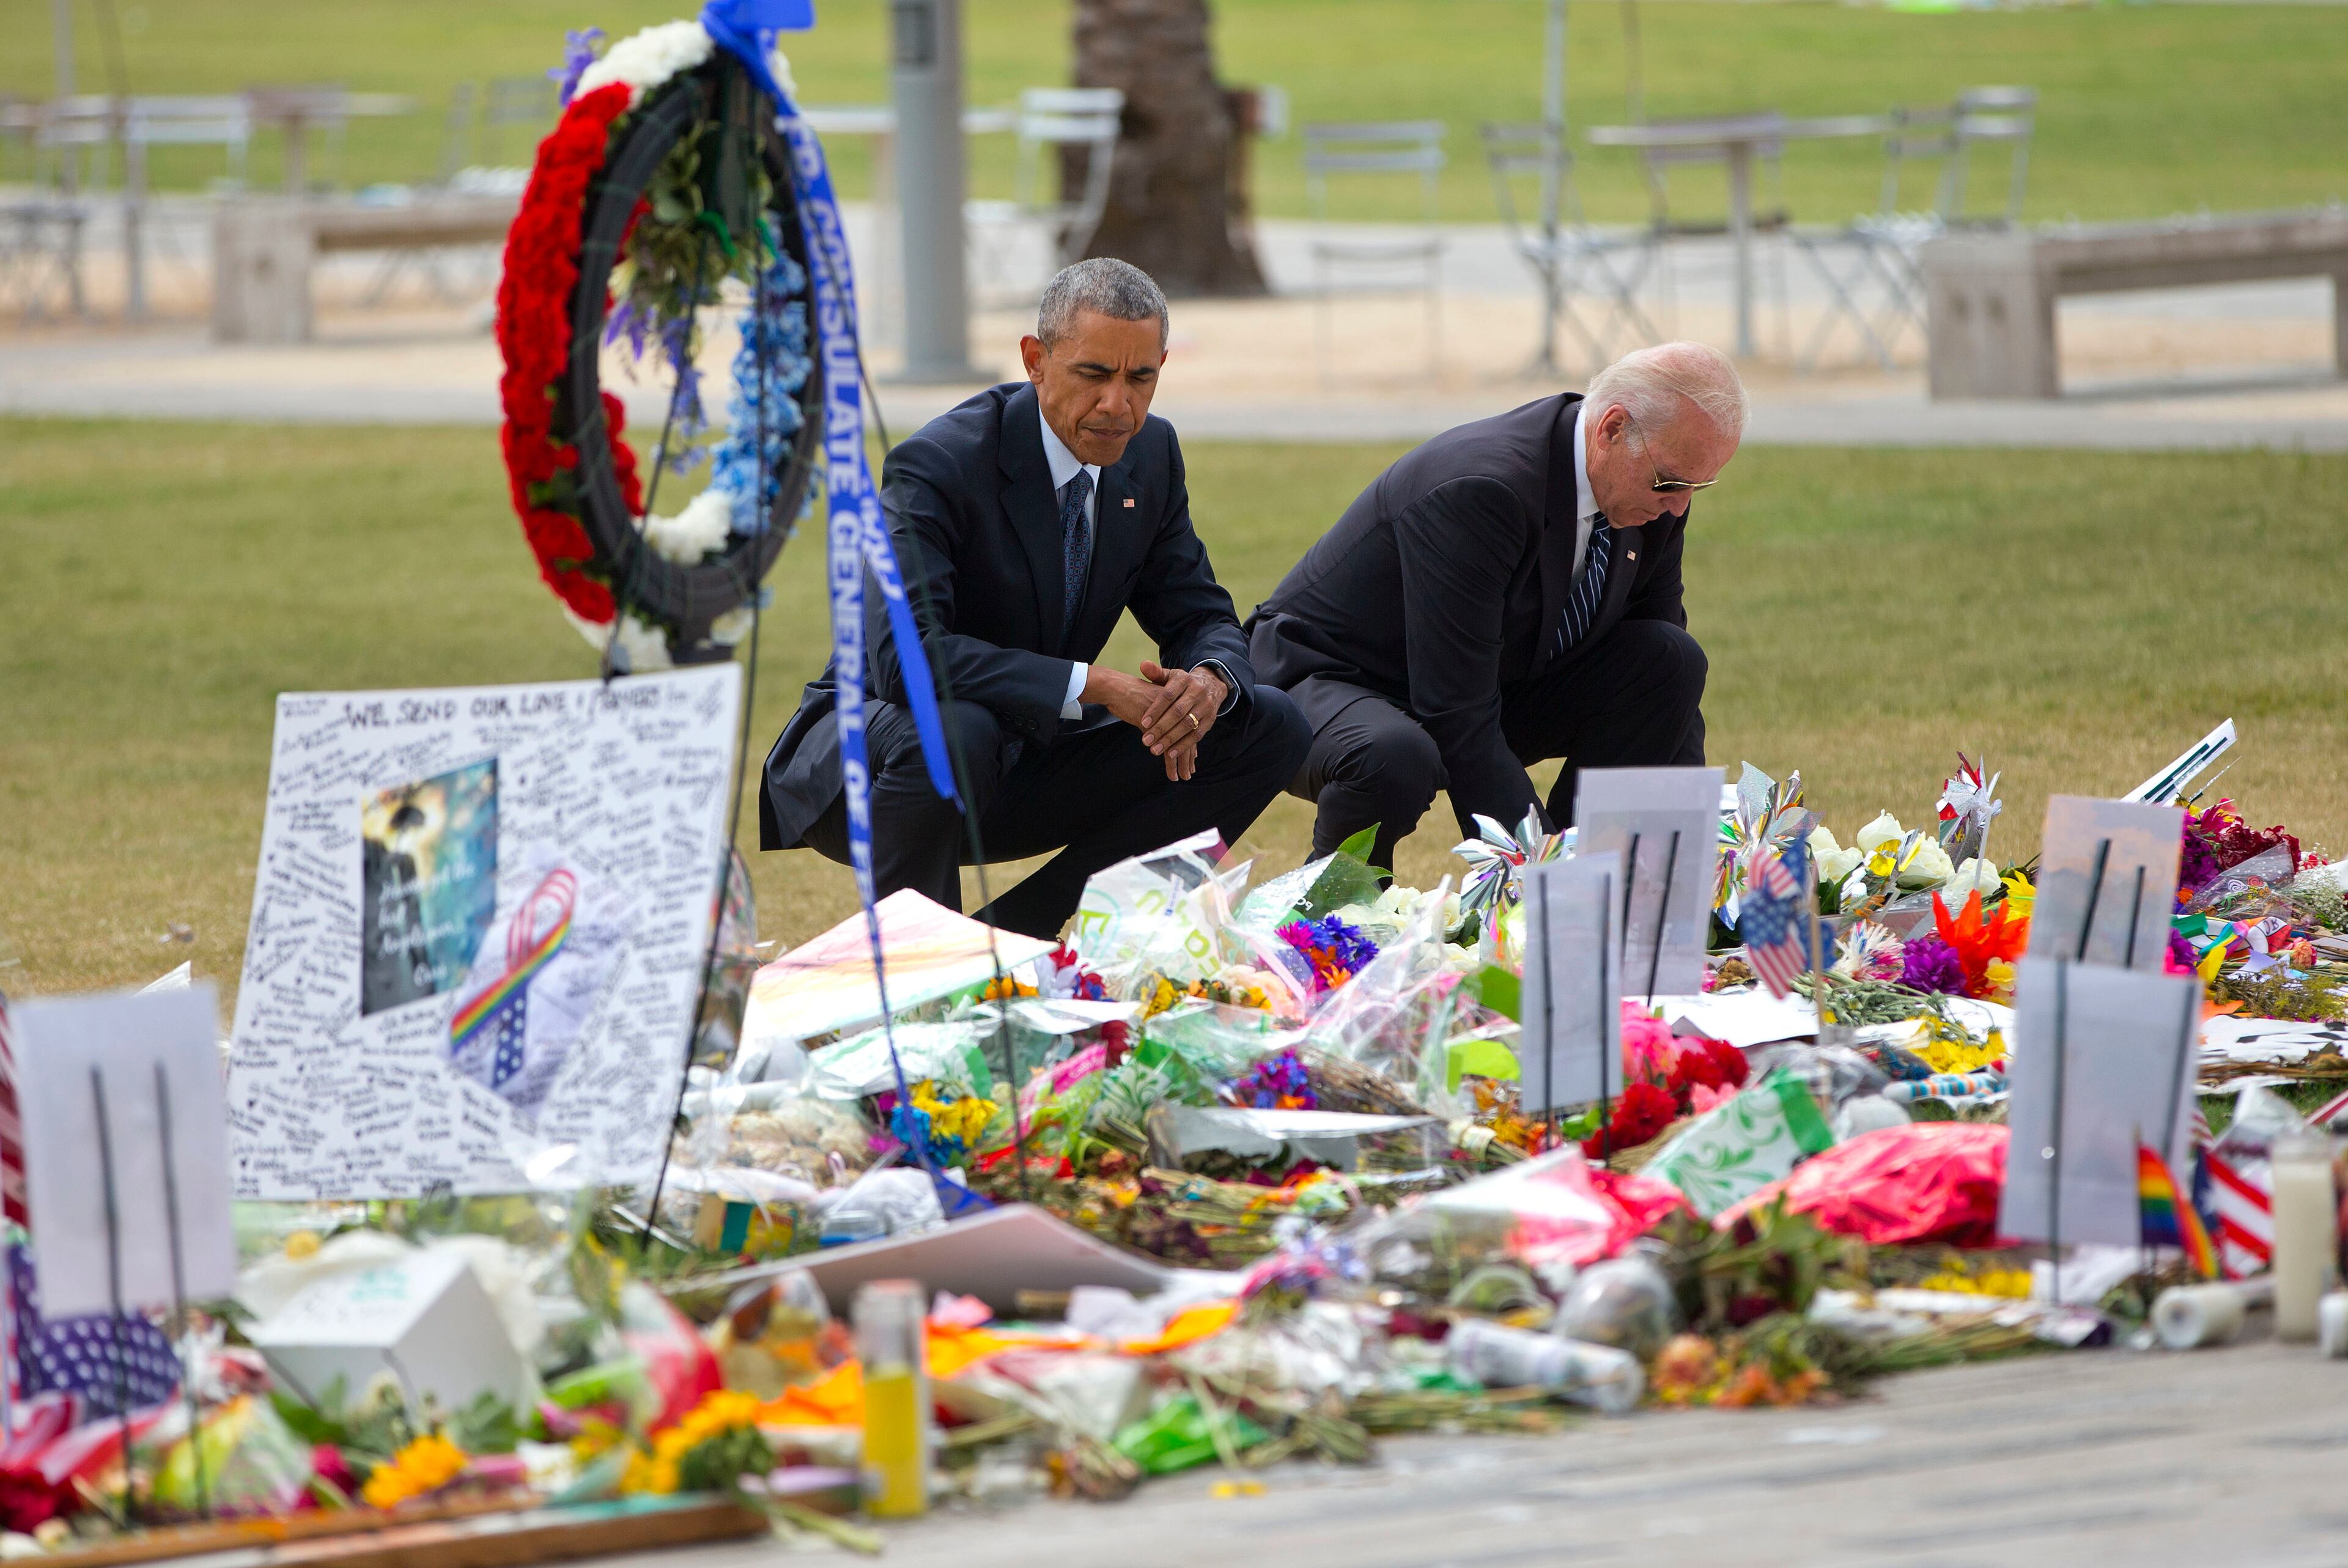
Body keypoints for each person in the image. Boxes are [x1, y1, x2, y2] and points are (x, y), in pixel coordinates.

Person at [759, 259, 1309, 939]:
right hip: (872, 768)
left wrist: (1207, 682)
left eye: (1142, 378)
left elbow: (1198, 612)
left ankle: (1022, 939)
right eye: (1093, 374)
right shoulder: (938, 464)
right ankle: (919, 972)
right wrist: (1100, 685)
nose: (1119, 405)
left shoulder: (1152, 454)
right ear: (1035, 360)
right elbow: (907, 660)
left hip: (1019, 756)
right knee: (959, 728)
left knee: (1266, 721)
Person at [1245, 342, 1744, 871]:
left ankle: (1605, 882)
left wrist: (1690, 857)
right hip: (1326, 675)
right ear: (1612, 429)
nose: (1680, 504)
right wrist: (1545, 878)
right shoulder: (1486, 490)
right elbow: (1456, 711)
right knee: (1395, 756)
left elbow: (1668, 685)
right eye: (1672, 481)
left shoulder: (1652, 496)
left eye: (1699, 485)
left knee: (1671, 658)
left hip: (1478, 677)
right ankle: (1326, 928)